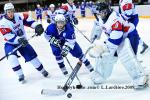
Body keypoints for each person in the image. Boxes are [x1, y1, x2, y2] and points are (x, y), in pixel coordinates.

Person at [89, 2, 148, 89]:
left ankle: (140, 77)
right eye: (97, 14)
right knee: (106, 56)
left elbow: (117, 38)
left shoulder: (115, 19)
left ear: (105, 11)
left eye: (100, 13)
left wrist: (104, 47)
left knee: (127, 57)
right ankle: (100, 75)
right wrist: (95, 35)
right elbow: (99, 24)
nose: (98, 15)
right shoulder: (102, 17)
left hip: (127, 37)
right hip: (114, 37)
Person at [0, 3, 49, 83]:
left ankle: (42, 70)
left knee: (32, 57)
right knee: (12, 58)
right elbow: (8, 36)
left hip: (23, 41)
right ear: (5, 12)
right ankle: (20, 75)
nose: (10, 13)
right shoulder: (2, 23)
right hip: (10, 43)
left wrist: (37, 26)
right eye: (8, 12)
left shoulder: (20, 16)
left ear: (14, 10)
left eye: (11, 11)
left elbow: (30, 22)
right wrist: (19, 40)